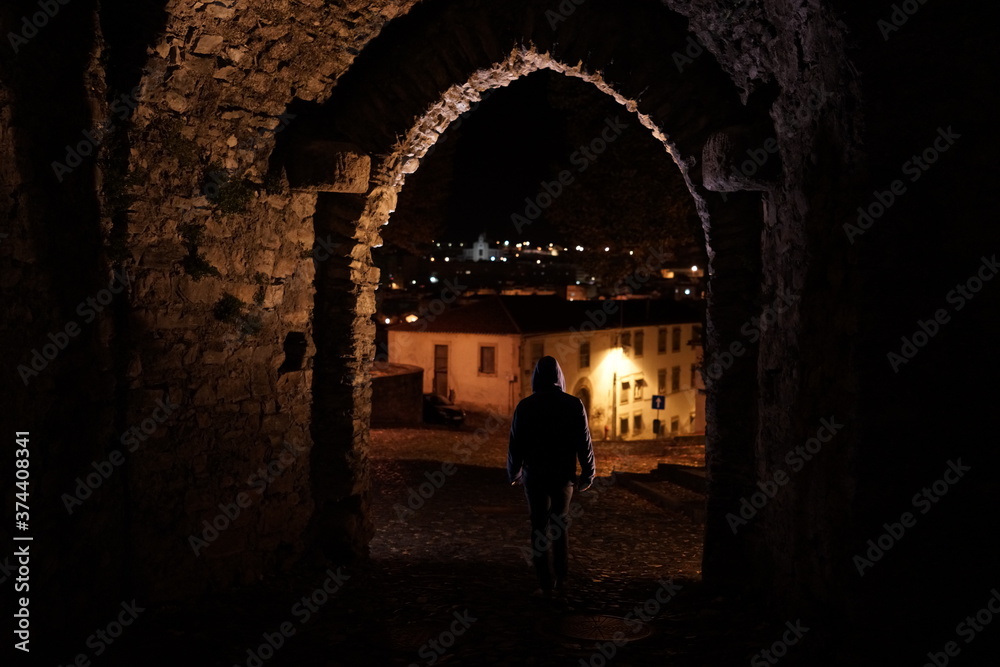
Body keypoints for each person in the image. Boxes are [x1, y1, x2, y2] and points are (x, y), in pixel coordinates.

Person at [507, 355, 596, 596]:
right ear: (560, 377)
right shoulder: (574, 404)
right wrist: (588, 473)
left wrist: (514, 471)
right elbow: (584, 442)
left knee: (539, 527)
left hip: (534, 476)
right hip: (562, 476)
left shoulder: (525, 406)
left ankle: (544, 582)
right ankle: (562, 578)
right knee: (560, 526)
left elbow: (516, 443)